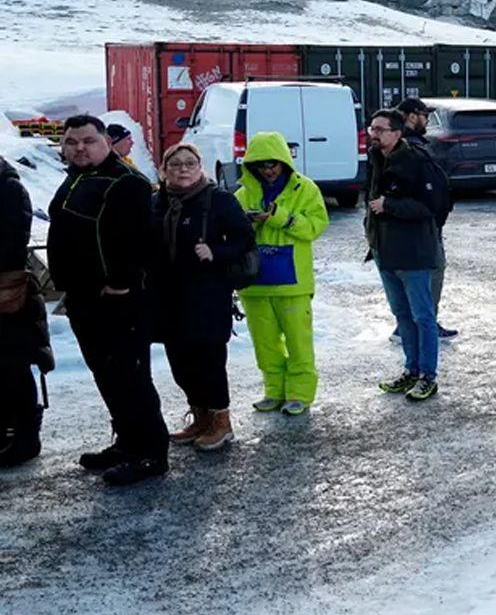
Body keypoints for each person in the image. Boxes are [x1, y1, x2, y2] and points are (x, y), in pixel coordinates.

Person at [50, 115, 170, 485]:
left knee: (130, 375)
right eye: (72, 142)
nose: (79, 148)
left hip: (118, 300)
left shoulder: (126, 182)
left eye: (88, 141)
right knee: (107, 374)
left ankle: (151, 452)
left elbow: (138, 239)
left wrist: (121, 283)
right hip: (85, 296)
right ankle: (128, 442)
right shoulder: (78, 177)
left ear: (106, 141)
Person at [151, 143, 254, 453]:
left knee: (208, 360)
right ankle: (200, 416)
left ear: (200, 168)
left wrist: (216, 252)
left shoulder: (218, 200)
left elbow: (245, 239)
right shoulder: (156, 201)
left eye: (190, 163)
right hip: (168, 295)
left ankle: (221, 421)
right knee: (180, 362)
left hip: (207, 293)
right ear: (164, 170)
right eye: (175, 164)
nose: (183, 169)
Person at [236, 132, 329, 417]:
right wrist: (249, 223)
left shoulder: (306, 189)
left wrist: (281, 218)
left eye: (273, 163)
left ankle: (299, 394)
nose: (268, 170)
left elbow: (315, 226)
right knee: (265, 344)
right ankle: (274, 391)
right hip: (255, 285)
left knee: (299, 342)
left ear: (284, 162)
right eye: (261, 164)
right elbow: (230, 234)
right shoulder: (242, 195)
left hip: (293, 283)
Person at [366, 109, 448, 402]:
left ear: (397, 133)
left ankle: (428, 376)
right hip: (385, 251)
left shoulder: (415, 161)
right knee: (402, 316)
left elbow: (430, 207)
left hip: (413, 253)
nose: (373, 134)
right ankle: (411, 370)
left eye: (380, 130)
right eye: (372, 128)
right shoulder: (376, 158)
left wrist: (389, 206)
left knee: (423, 316)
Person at [0, 154, 52, 469]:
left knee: (11, 365)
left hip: (7, 295)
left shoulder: (8, 187)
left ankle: (24, 437)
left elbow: (11, 244)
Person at [392, 98, 456, 340]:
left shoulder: (407, 144)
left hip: (424, 223)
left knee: (423, 273)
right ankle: (420, 325)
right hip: (421, 224)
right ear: (411, 116)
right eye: (424, 115)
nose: (427, 120)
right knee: (431, 271)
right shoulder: (408, 147)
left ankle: (412, 325)